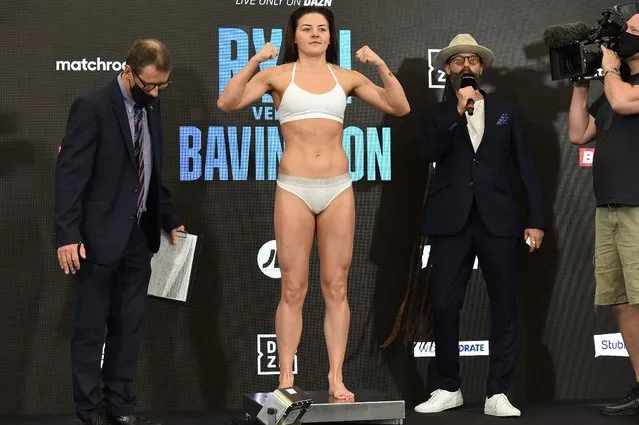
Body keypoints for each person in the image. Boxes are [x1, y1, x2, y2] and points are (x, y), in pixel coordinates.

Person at [217, 6, 410, 400]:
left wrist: (379, 65)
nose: (315, 34)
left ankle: (336, 378)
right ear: (294, 35)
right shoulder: (276, 75)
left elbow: (400, 106)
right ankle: (285, 378)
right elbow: (228, 102)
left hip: (338, 188)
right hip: (294, 188)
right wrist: (256, 59)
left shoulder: (347, 77)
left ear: (330, 36)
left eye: (322, 28)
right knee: (293, 287)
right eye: (307, 28)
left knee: (336, 286)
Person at [54, 39, 184, 425]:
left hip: (138, 237)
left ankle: (121, 408)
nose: (156, 93)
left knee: (129, 329)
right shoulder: (92, 106)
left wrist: (169, 216)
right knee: (92, 330)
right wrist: (66, 234)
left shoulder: (152, 106)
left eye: (162, 85)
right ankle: (89, 411)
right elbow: (70, 177)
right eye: (150, 85)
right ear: (129, 72)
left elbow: (151, 171)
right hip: (93, 239)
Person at [414, 34, 545, 417]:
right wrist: (457, 113)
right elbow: (427, 152)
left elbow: (526, 169)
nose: (466, 66)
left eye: (472, 60)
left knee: (504, 305)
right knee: (443, 304)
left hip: (499, 220)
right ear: (447, 71)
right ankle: (448, 386)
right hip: (450, 220)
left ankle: (497, 393)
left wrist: (535, 220)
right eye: (458, 61)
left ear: (482, 69)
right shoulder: (435, 115)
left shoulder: (507, 110)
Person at [568, 9, 639, 416]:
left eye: (631, 32)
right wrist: (580, 84)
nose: (622, 37)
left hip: (637, 208)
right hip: (609, 207)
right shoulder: (616, 86)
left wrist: (609, 69)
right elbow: (579, 133)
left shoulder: (623, 89)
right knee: (624, 303)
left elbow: (624, 103)